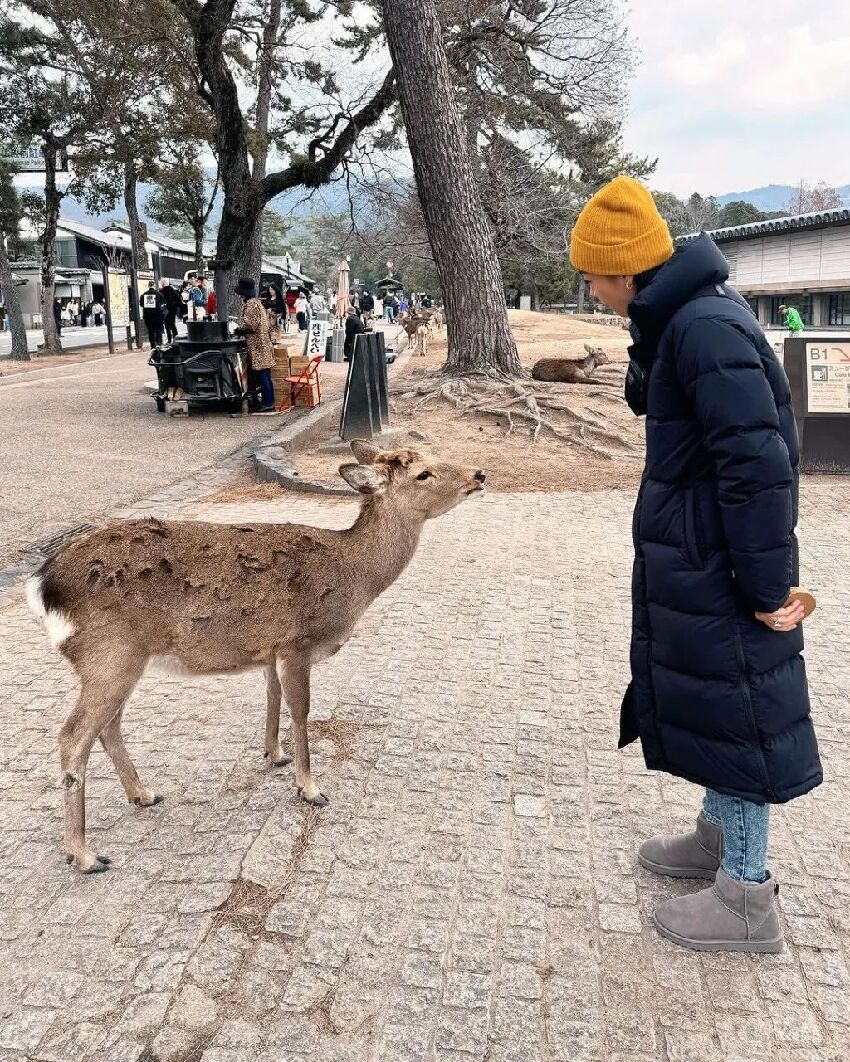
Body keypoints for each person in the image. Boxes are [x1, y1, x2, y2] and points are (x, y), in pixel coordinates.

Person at [568, 176, 821, 954]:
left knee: (738, 709)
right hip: (703, 551)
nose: (589, 287)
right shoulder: (682, 321)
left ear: (624, 269)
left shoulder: (705, 329)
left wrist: (767, 582)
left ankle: (747, 896)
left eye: (592, 274)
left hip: (726, 561)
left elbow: (756, 466)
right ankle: (718, 840)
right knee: (715, 700)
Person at [233, 276, 276, 412]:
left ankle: (268, 403)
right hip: (264, 343)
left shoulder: (251, 304)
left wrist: (240, 330)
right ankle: (269, 401)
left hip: (258, 345)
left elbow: (251, 326)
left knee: (262, 374)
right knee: (265, 374)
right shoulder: (257, 302)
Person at [140, 281, 166, 348]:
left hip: (148, 316)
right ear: (154, 285)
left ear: (148, 286)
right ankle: (159, 343)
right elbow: (164, 304)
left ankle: (152, 345)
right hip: (158, 315)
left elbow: (141, 304)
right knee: (158, 330)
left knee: (150, 331)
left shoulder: (144, 295)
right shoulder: (159, 294)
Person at [159, 279, 181, 344]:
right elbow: (178, 301)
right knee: (173, 324)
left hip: (165, 310)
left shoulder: (161, 292)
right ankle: (175, 337)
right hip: (172, 310)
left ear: (163, 284)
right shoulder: (174, 291)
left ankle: (169, 339)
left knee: (167, 325)